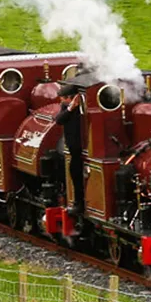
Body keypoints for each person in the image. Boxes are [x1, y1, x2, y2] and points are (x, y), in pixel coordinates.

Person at [57, 84, 87, 219]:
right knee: (75, 174)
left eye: (63, 98)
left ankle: (79, 203)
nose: (61, 101)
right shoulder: (66, 107)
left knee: (76, 173)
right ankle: (77, 202)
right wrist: (70, 108)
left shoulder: (83, 109)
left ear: (70, 97)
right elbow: (59, 120)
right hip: (74, 149)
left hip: (83, 147)